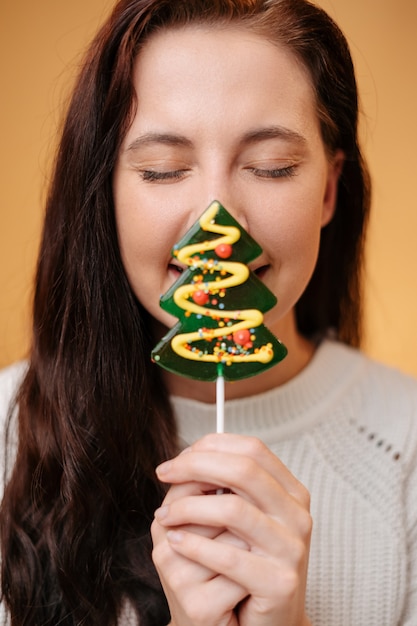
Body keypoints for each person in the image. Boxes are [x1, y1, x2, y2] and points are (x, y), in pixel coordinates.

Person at [1, 0, 416, 624]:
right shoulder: (4, 437)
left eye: (270, 167)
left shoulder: (405, 450)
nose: (216, 222)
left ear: (329, 189)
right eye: (164, 170)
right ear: (106, 191)